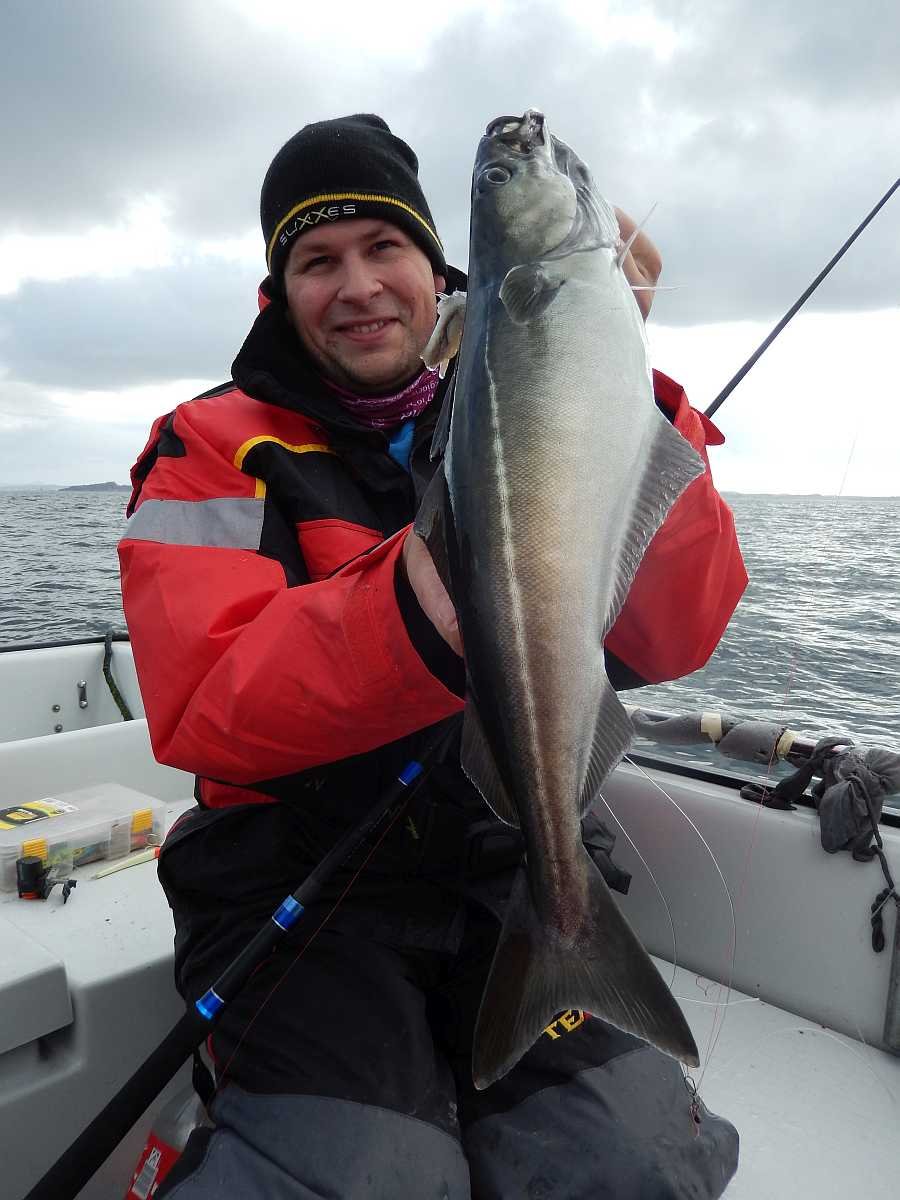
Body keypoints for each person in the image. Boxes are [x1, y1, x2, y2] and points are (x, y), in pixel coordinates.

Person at [119, 114, 747, 1199]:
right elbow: (206, 702)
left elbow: (672, 635)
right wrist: (414, 606)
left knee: (629, 1169)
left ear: (437, 267)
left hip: (503, 859)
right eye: (318, 260)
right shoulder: (210, 447)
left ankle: (563, 964)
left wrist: (621, 389)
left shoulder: (534, 400)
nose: (357, 284)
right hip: (301, 882)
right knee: (361, 1180)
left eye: (384, 249)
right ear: (279, 288)